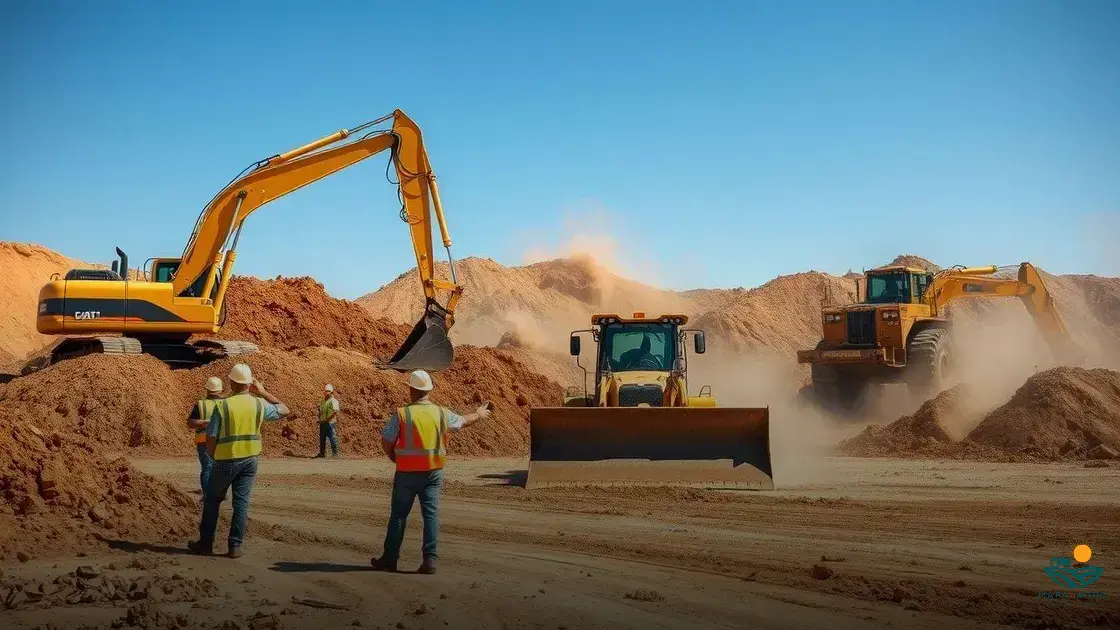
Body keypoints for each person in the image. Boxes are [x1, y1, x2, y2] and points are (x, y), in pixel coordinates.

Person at [371, 369, 491, 574]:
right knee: (431, 516)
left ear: (411, 389)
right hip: (433, 473)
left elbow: (386, 441)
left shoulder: (403, 413)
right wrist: (478, 414)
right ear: (429, 390)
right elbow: (463, 421)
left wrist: (394, 457)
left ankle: (390, 560)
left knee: (399, 515)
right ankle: (430, 562)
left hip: (406, 474)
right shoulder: (441, 413)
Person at [188, 363, 290, 558]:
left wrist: (213, 455)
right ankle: (235, 546)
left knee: (212, 500)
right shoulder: (259, 403)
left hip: (226, 460)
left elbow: (210, 436)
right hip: (251, 460)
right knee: (241, 503)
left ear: (232, 382)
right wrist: (263, 391)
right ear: (249, 384)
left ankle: (206, 543)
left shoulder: (224, 405)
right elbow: (284, 410)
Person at [186, 376, 225, 495]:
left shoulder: (201, 404)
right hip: (223, 440)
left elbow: (190, 423)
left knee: (208, 468)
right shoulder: (226, 403)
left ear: (207, 389)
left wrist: (203, 423)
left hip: (204, 441)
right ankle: (218, 494)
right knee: (221, 468)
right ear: (222, 390)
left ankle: (209, 495)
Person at [316, 383, 341, 458]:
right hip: (323, 423)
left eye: (328, 391)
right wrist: (320, 418)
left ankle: (335, 454)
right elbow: (320, 411)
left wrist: (328, 419)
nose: (326, 392)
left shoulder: (334, 401)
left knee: (332, 438)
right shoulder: (323, 402)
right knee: (322, 439)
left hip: (330, 422)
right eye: (326, 391)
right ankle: (322, 454)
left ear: (331, 392)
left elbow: (335, 412)